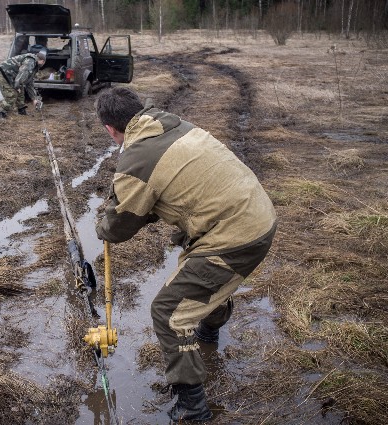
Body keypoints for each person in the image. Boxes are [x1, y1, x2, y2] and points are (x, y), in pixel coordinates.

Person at [94, 87, 277, 422]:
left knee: (168, 312)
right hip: (257, 216)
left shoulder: (136, 159)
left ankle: (193, 407)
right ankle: (208, 337)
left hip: (237, 236)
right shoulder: (170, 123)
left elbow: (117, 229)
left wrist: (102, 224)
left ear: (110, 129)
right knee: (201, 277)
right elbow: (162, 188)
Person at [0, 48, 46, 118]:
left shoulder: (34, 64)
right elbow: (21, 75)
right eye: (44, 63)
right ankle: (1, 113)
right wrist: (17, 87)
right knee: (12, 95)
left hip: (12, 75)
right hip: (2, 73)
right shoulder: (30, 62)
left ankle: (21, 110)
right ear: (42, 61)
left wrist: (34, 99)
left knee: (21, 93)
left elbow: (29, 83)